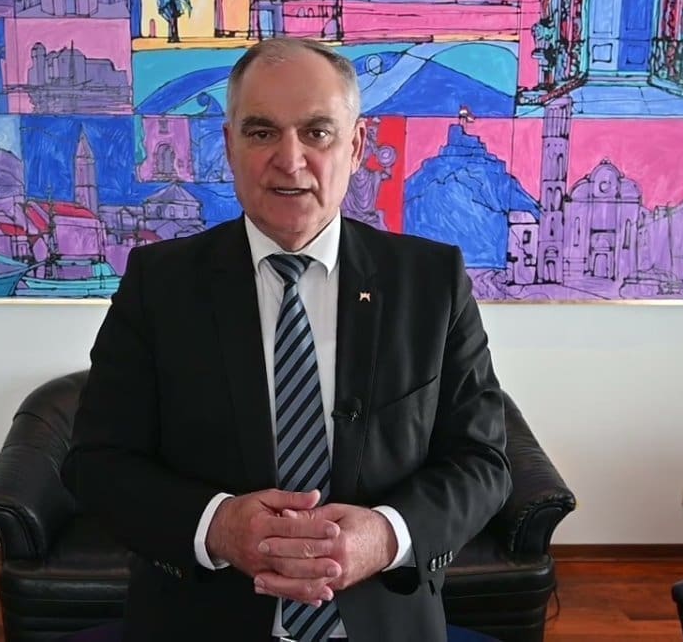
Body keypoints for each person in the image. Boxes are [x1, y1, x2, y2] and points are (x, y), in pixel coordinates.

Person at [62, 37, 512, 642]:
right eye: (261, 132)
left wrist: (386, 536)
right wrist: (218, 526)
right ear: (229, 146)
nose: (290, 159)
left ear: (356, 146)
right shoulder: (158, 284)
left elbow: (482, 461)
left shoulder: (432, 281)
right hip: (202, 621)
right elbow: (96, 462)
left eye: (317, 132)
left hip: (382, 622)